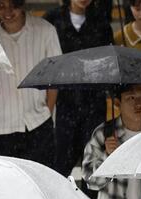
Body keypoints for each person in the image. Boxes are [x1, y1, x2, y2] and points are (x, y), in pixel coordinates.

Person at [0, 0, 61, 167]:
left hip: (38, 123)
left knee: (39, 184)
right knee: (4, 188)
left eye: (13, 6)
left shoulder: (45, 30)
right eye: (1, 6)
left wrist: (47, 112)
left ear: (22, 5)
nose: (7, 11)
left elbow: (55, 77)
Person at [45, 0, 113, 177]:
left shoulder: (101, 21)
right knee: (59, 164)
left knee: (93, 164)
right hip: (63, 100)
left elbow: (108, 61)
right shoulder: (52, 20)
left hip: (94, 101)